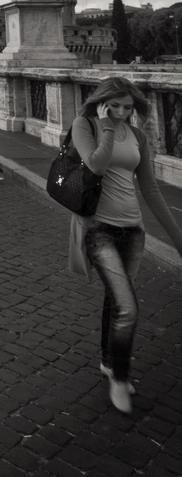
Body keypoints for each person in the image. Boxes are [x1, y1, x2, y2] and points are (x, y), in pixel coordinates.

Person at [69, 77, 182, 414]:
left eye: (127, 107)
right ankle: (119, 377)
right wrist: (104, 126)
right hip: (97, 229)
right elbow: (96, 165)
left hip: (133, 231)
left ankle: (108, 360)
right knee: (128, 308)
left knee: (116, 301)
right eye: (114, 105)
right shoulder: (84, 125)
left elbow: (150, 189)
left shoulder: (137, 136)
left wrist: (177, 239)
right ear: (102, 102)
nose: (120, 112)